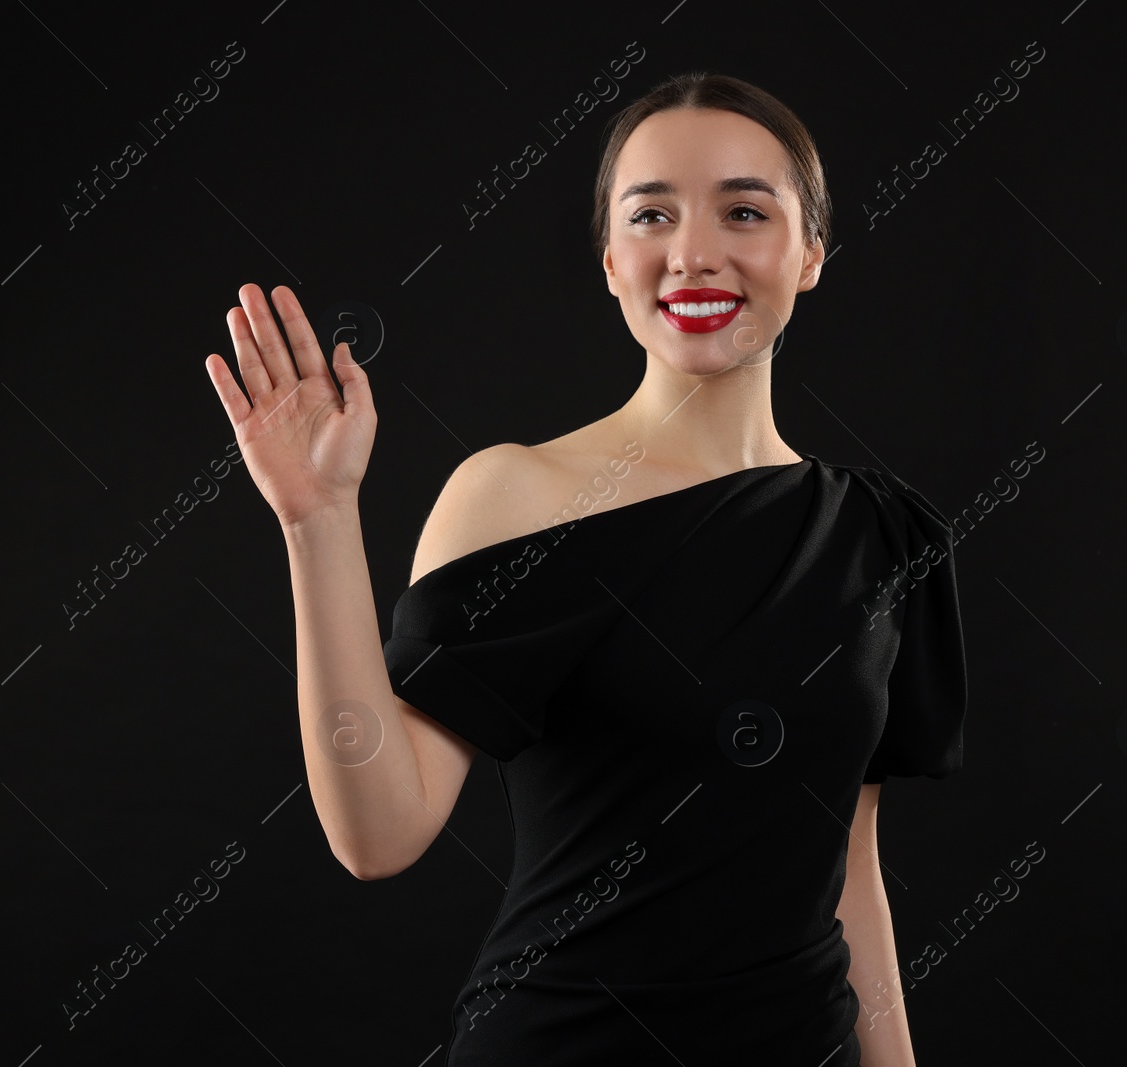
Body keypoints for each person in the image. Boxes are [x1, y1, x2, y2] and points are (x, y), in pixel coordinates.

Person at [204, 70, 967, 1067]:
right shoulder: (515, 495)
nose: (693, 253)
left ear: (809, 250)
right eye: (651, 214)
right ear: (611, 259)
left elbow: (849, 866)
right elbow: (376, 831)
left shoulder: (883, 536)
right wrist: (319, 519)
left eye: (743, 209)